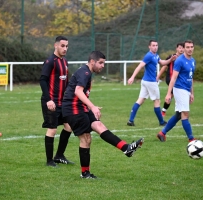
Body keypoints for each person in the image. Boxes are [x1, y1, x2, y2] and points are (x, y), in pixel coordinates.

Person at [62, 51, 144, 179]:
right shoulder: (85, 72)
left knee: (99, 125)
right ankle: (85, 174)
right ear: (92, 62)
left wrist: (90, 106)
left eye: (103, 63)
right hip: (73, 109)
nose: (102, 66)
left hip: (80, 107)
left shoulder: (86, 72)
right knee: (86, 139)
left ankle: (126, 148)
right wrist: (92, 106)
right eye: (100, 63)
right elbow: (78, 91)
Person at [40, 36, 74, 167]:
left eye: (66, 46)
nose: (65, 48)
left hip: (62, 102)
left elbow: (65, 82)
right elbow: (43, 80)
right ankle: (49, 161)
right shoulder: (50, 61)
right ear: (56, 45)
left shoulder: (64, 62)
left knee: (68, 127)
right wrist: (48, 100)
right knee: (52, 130)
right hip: (50, 101)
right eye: (62, 46)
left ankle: (59, 156)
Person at [127, 40, 176, 126]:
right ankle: (161, 122)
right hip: (150, 82)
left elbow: (162, 63)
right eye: (153, 45)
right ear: (149, 46)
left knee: (140, 100)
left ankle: (130, 120)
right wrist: (132, 77)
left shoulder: (155, 55)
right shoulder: (149, 56)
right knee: (157, 101)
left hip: (145, 81)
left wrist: (170, 60)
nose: (155, 47)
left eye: (156, 45)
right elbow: (140, 66)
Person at [156, 40, 196, 142]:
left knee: (179, 115)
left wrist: (192, 93)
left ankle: (162, 133)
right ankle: (191, 139)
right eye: (187, 47)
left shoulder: (193, 61)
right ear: (184, 48)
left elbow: (190, 78)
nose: (190, 49)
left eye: (191, 47)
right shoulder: (179, 61)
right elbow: (173, 78)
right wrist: (169, 93)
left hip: (186, 90)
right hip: (179, 89)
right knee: (185, 114)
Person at [157, 42, 184, 117]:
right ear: (176, 48)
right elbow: (164, 67)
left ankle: (163, 111)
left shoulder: (184, 59)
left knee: (171, 95)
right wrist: (158, 76)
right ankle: (178, 112)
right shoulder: (172, 57)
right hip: (170, 79)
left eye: (182, 48)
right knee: (176, 94)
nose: (181, 49)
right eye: (180, 48)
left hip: (179, 80)